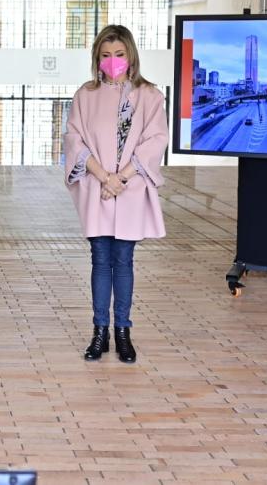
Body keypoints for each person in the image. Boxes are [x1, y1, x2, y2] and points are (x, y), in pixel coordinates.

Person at [63, 25, 168, 364]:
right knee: (100, 260)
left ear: (131, 56)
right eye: (106, 55)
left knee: (123, 260)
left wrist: (121, 178)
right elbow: (74, 139)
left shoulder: (150, 96)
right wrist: (103, 177)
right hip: (98, 187)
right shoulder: (86, 95)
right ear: (97, 58)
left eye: (119, 55)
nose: (113, 61)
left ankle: (123, 331)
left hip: (130, 188)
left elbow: (155, 141)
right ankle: (99, 332)